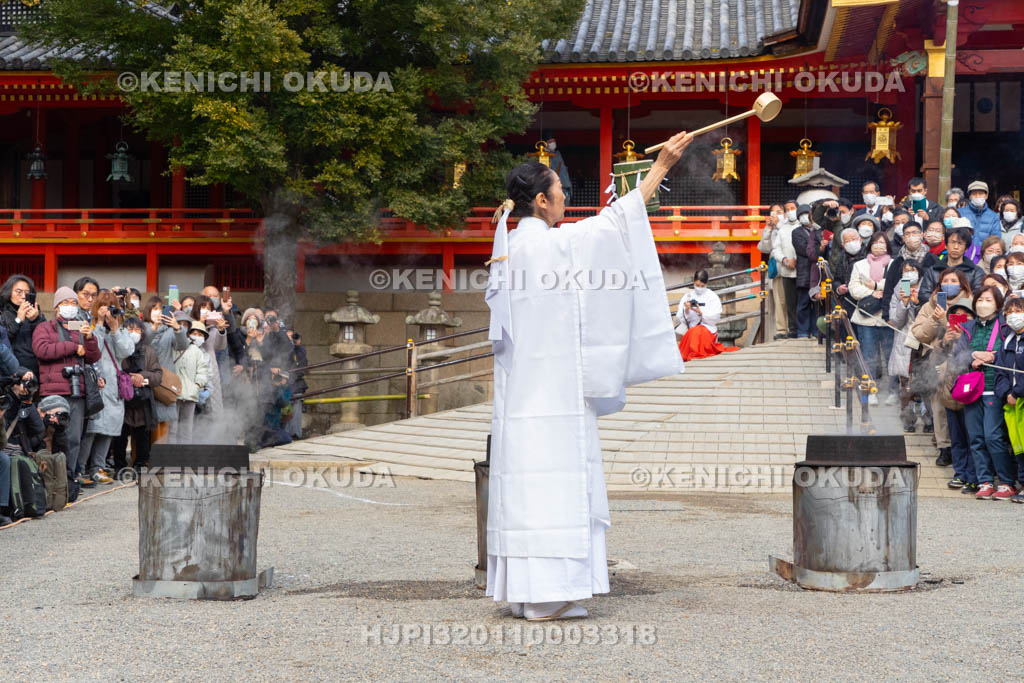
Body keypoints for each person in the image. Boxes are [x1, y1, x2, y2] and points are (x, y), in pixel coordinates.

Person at [485, 132, 690, 621]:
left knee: (526, 488)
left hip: (521, 397)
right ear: (541, 200)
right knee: (555, 487)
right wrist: (659, 166)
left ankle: (526, 593)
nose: (564, 199)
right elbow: (615, 223)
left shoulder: (512, 248)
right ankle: (547, 598)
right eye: (559, 192)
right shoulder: (552, 246)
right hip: (554, 395)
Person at [32, 286, 101, 489]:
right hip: (53, 391)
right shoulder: (45, 327)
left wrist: (90, 339)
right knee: (50, 436)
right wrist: (72, 347)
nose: (70, 307)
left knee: (73, 439)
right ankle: (47, 480)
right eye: (65, 303)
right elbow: (41, 349)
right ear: (56, 307)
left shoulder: (80, 326)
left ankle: (67, 481)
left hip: (77, 390)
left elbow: (94, 356)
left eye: (73, 303)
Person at [952, 285, 1016, 499]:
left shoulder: (1005, 326)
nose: (982, 304)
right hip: (972, 390)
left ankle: (1006, 481)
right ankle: (984, 481)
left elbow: (1010, 354)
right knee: (976, 437)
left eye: (988, 300)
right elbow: (957, 356)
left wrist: (991, 356)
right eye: (979, 299)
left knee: (993, 436)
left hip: (994, 389)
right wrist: (974, 356)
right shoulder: (969, 327)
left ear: (998, 304)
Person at [912, 269, 973, 469]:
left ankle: (962, 447)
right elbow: (919, 334)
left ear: (963, 284)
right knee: (939, 403)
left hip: (964, 361)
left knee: (961, 404)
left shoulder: (971, 304)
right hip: (937, 358)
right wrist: (935, 318)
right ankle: (944, 446)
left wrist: (948, 322)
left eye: (954, 280)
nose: (949, 283)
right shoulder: (930, 305)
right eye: (945, 280)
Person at [80, 291, 134, 484]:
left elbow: (126, 351)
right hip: (96, 383)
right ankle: (80, 470)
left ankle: (98, 468)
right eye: (103, 306)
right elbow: (94, 351)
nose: (107, 311)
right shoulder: (91, 327)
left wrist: (115, 330)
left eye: (111, 306)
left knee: (108, 429)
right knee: (91, 429)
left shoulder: (118, 329)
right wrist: (102, 327)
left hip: (113, 386)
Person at [110, 317, 161, 472]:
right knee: (120, 435)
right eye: (130, 330)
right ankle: (119, 466)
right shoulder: (117, 348)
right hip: (122, 399)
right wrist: (129, 378)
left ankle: (141, 464)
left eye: (137, 330)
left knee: (142, 436)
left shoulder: (149, 351)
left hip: (143, 400)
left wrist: (142, 376)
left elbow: (158, 376)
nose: (134, 333)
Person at [848, 231, 893, 405]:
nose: (879, 245)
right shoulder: (859, 265)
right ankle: (870, 389)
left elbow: (895, 284)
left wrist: (875, 285)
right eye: (875, 242)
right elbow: (854, 288)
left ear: (888, 245)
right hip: (866, 317)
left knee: (890, 355)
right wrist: (873, 293)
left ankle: (893, 391)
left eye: (883, 242)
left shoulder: (895, 264)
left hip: (888, 317)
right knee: (868, 355)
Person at [888, 261, 929, 431]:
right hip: (905, 340)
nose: (909, 273)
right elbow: (896, 321)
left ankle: (929, 420)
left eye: (913, 270)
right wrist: (904, 303)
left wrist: (917, 301)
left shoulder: (927, 289)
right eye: (906, 270)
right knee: (905, 383)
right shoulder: (898, 291)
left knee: (927, 381)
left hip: (924, 340)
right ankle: (908, 419)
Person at [142, 296, 189, 443]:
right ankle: (141, 460)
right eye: (154, 309)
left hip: (163, 384)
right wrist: (154, 328)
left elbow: (183, 346)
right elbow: (141, 345)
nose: (157, 312)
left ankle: (160, 461)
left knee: (163, 426)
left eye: (160, 309)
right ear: (148, 311)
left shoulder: (170, 331)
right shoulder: (141, 328)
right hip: (144, 382)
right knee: (142, 425)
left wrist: (177, 328)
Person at [674, 270, 738, 361]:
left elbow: (715, 318)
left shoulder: (712, 297)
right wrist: (687, 310)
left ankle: (694, 354)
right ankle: (692, 354)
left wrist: (701, 314)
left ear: (706, 284)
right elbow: (679, 319)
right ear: (693, 283)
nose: (699, 288)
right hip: (691, 330)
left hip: (707, 330)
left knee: (696, 332)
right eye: (697, 285)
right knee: (693, 333)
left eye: (702, 286)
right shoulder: (687, 296)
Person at [881, 220, 934, 322]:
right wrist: (886, 314)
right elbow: (889, 288)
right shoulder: (898, 261)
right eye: (907, 234)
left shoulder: (931, 259)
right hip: (901, 313)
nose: (911, 236)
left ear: (922, 235)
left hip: (926, 313)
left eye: (914, 233)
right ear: (903, 238)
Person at [168, 315, 210, 444]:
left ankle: (185, 454)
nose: (196, 336)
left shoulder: (198, 351)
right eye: (194, 333)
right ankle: (172, 453)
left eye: (200, 334)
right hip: (174, 391)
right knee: (172, 427)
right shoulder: (176, 345)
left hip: (190, 393)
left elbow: (203, 371)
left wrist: (197, 385)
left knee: (187, 427)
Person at [918, 226, 984, 302]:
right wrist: (943, 302)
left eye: (960, 243)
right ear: (946, 245)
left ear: (966, 248)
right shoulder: (933, 270)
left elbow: (977, 295)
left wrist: (956, 305)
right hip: (936, 310)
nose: (956, 247)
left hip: (964, 311)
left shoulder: (975, 271)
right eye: (952, 242)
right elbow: (923, 294)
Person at [790, 204, 824, 338]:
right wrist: (818, 249)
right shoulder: (796, 232)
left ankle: (817, 330)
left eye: (807, 214)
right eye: (802, 214)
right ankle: (803, 331)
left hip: (818, 272)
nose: (805, 217)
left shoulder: (819, 230)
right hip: (804, 272)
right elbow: (803, 250)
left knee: (817, 303)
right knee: (803, 303)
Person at [0, 274, 45, 376]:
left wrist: (36, 320)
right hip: (10, 372)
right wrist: (18, 320)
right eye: (18, 292)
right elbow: (3, 341)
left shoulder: (36, 313)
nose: (24, 296)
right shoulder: (2, 313)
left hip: (36, 372)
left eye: (27, 293)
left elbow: (47, 338)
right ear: (9, 292)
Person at [758, 204, 790, 340]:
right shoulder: (772, 229)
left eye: (779, 212)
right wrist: (768, 229)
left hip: (790, 267)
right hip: (777, 270)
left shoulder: (788, 226)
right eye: (773, 212)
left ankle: (793, 328)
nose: (775, 214)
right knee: (779, 300)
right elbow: (764, 248)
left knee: (790, 300)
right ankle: (781, 329)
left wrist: (778, 225)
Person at [775, 199, 800, 337]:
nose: (790, 211)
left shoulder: (804, 225)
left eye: (793, 208)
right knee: (790, 302)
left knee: (802, 301)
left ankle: (804, 329)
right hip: (786, 270)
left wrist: (796, 260)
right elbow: (776, 249)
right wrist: (784, 260)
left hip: (802, 270)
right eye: (788, 209)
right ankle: (793, 329)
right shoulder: (782, 230)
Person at [963, 180, 1001, 245]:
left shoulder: (994, 216)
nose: (977, 196)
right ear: (969, 196)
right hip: (964, 253)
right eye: (974, 194)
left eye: (980, 193)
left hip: (985, 253)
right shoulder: (960, 213)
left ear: (986, 196)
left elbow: (996, 239)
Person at [286, 330, 308, 440]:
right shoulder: (282, 350)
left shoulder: (300, 350)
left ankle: (295, 434)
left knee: (296, 408)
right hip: (285, 384)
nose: (291, 340)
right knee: (285, 409)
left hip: (297, 385)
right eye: (288, 338)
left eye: (292, 337)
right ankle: (286, 434)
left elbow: (303, 364)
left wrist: (297, 346)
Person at [542, 130, 572, 206]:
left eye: (554, 141)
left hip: (565, 186)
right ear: (546, 144)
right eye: (550, 141)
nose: (553, 143)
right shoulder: (544, 156)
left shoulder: (557, 154)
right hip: (554, 187)